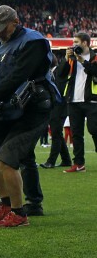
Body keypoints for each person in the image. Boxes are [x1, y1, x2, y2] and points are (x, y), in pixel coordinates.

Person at [0, 5, 58, 228]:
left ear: (15, 22)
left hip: (33, 108)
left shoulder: (34, 42)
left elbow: (19, 75)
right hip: (8, 109)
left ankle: (20, 214)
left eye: (2, 28)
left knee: (6, 158)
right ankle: (7, 204)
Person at [58, 32, 97, 173]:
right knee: (76, 133)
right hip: (73, 100)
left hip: (92, 100)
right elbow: (61, 75)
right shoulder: (72, 58)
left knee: (94, 129)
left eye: (76, 42)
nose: (74, 45)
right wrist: (66, 58)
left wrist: (82, 61)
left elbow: (95, 71)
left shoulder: (95, 57)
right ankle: (79, 164)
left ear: (85, 43)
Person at [40, 55, 72, 168]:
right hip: (56, 107)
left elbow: (64, 67)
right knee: (56, 133)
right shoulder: (50, 74)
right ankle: (66, 160)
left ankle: (51, 161)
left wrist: (67, 57)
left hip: (59, 107)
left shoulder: (59, 72)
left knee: (56, 133)